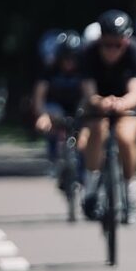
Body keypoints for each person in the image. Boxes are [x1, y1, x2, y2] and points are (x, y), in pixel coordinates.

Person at [78, 9, 136, 223]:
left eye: (118, 45)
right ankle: (91, 188)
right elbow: (88, 92)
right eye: (107, 44)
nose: (112, 50)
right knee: (97, 131)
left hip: (125, 104)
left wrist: (122, 103)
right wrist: (101, 102)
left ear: (126, 41)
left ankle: (130, 193)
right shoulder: (88, 52)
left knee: (125, 138)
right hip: (98, 103)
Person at [33, 30, 85, 172]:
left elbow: (88, 95)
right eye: (66, 58)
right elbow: (39, 95)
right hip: (55, 108)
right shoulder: (50, 70)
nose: (69, 62)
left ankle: (83, 169)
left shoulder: (84, 70)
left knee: (84, 135)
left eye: (73, 58)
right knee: (50, 122)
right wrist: (42, 115)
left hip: (78, 107)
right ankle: (54, 158)